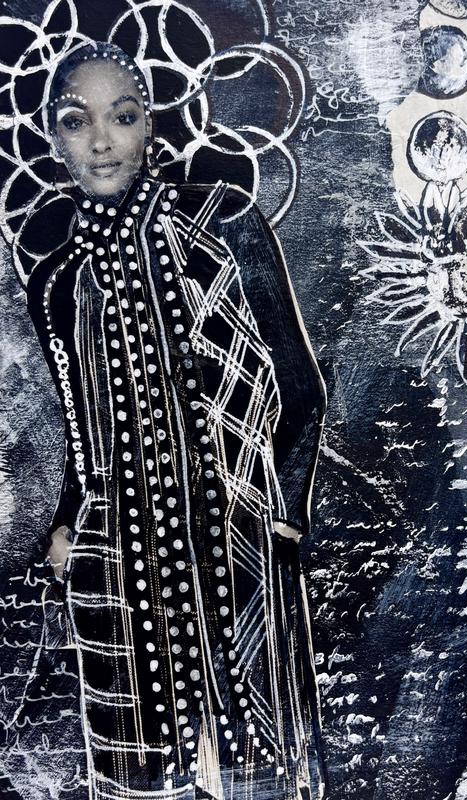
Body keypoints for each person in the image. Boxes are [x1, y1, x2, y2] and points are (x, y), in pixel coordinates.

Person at [25, 40, 326, 800]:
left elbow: (299, 388)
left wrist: (282, 520)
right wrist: (65, 526)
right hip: (115, 561)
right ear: (54, 138)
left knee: (256, 767)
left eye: (122, 117)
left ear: (149, 125)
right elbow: (77, 431)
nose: (101, 141)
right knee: (137, 775)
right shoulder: (58, 280)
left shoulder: (223, 223)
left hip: (237, 543)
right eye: (77, 121)